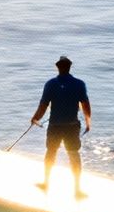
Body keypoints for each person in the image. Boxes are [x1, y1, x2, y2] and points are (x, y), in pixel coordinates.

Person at [28, 56, 91, 198]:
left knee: (51, 152)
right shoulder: (79, 84)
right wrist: (88, 121)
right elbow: (86, 105)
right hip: (72, 126)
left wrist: (35, 118)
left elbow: (43, 106)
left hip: (55, 126)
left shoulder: (50, 84)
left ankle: (46, 183)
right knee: (74, 155)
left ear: (58, 67)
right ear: (69, 67)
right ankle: (77, 190)